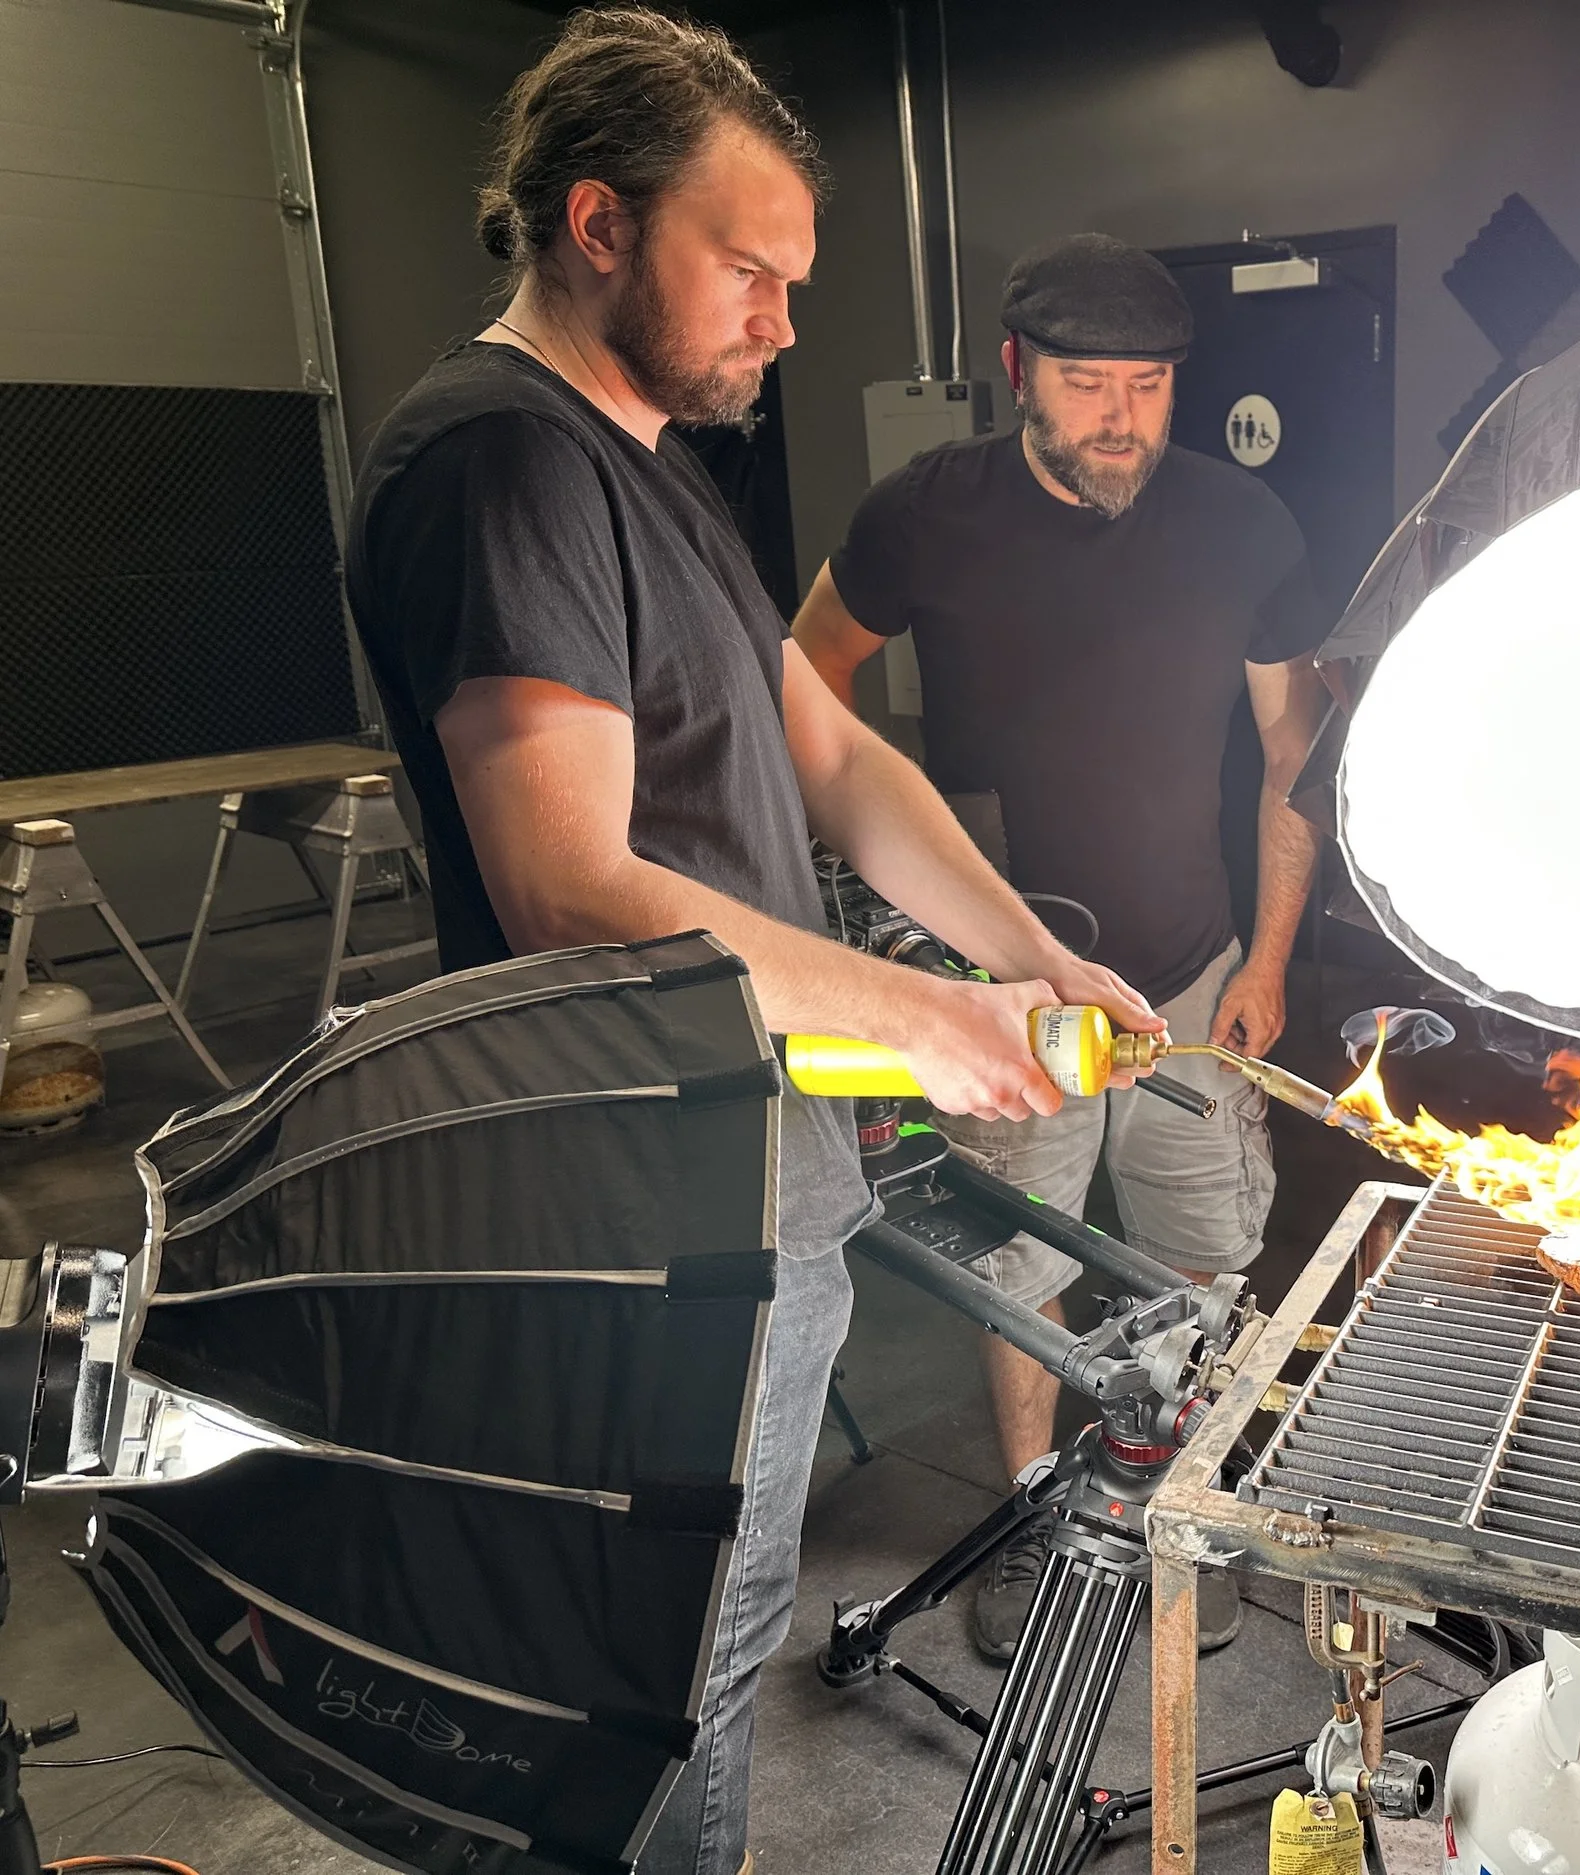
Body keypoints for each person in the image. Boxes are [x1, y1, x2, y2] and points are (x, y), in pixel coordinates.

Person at [343, 16, 1156, 1875]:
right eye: (750, 271)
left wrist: (1029, 959)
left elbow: (841, 761)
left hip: (746, 1159)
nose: (786, 321)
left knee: (724, 1615)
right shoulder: (502, 461)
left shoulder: (650, 463)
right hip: (643, 1199)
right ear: (598, 225)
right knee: (668, 1655)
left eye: (796, 278)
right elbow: (573, 884)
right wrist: (932, 1020)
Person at [791, 234, 1333, 1661]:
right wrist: (883, 888)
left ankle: (1185, 1507)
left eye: (1148, 386)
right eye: (1088, 384)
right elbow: (805, 681)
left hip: (1190, 971)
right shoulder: (925, 513)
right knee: (1021, 1268)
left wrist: (1269, 959)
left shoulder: (1244, 526)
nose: (1120, 419)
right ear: (1018, 372)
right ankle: (1037, 1509)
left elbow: (1296, 755)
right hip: (1005, 987)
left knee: (1202, 1253)